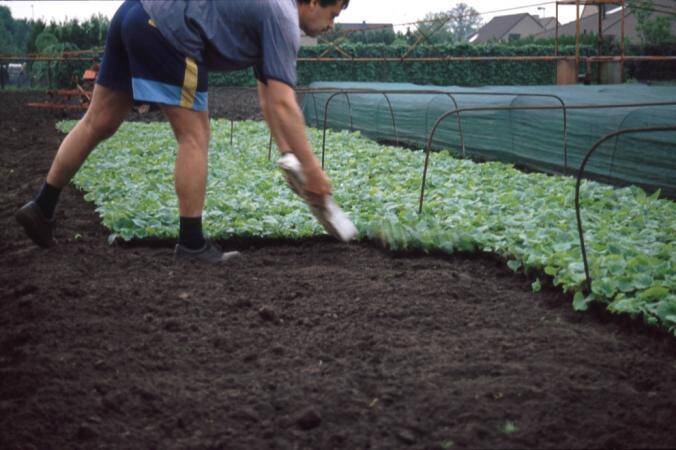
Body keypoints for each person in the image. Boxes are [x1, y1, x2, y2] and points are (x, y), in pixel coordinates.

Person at [15, 0, 349, 264]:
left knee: (97, 122)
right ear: (313, 2)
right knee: (195, 135)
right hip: (169, 29)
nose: (331, 25)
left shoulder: (272, 11)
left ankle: (42, 205)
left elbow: (268, 97)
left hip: (136, 12)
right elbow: (283, 102)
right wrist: (314, 172)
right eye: (333, 14)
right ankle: (191, 244)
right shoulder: (284, 17)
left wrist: (289, 156)